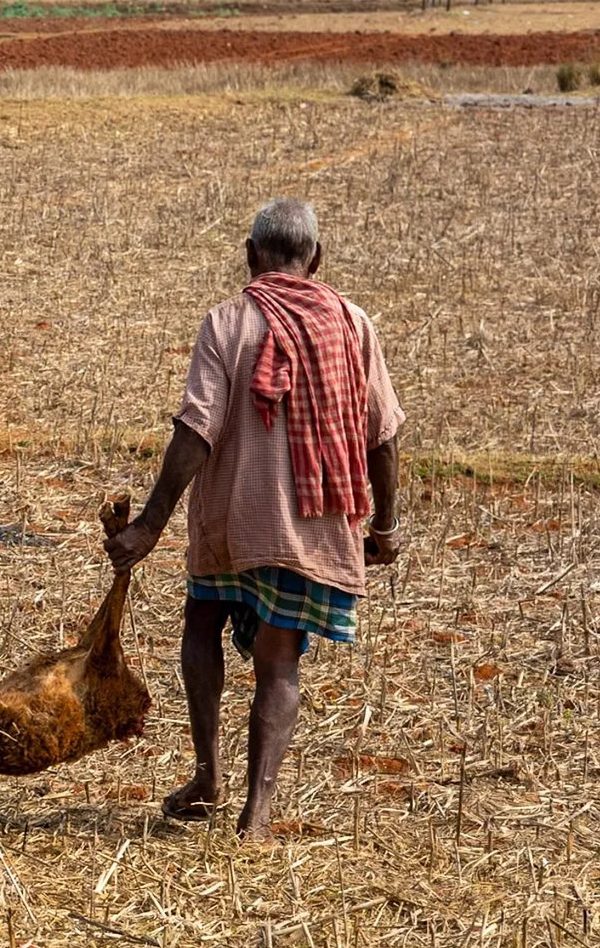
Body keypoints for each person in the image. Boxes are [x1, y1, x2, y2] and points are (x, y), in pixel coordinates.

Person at [106, 198, 404, 840]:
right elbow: (382, 437)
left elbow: (196, 431)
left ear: (249, 256)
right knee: (279, 663)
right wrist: (385, 527)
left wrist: (150, 525)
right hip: (312, 526)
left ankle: (208, 778)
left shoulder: (227, 323)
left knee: (201, 627)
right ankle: (256, 815)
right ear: (316, 260)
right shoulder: (353, 326)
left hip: (230, 522)